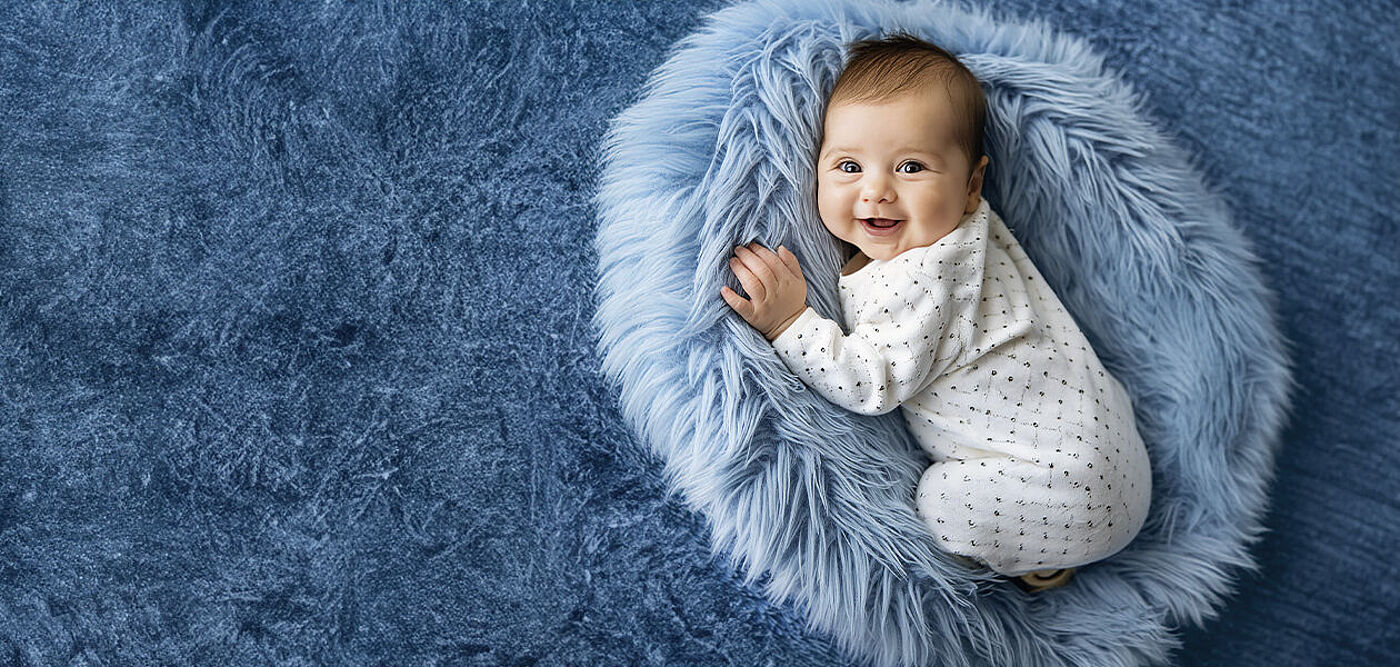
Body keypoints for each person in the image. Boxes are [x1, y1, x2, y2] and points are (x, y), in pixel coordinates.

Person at [719, 33, 1152, 592]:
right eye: (849, 165)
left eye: (911, 167)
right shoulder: (968, 229)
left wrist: (789, 323)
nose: (876, 192)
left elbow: (872, 384)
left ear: (972, 185)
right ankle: (1053, 543)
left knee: (940, 503)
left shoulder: (927, 276)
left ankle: (1037, 560)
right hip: (1110, 452)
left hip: (1063, 490)